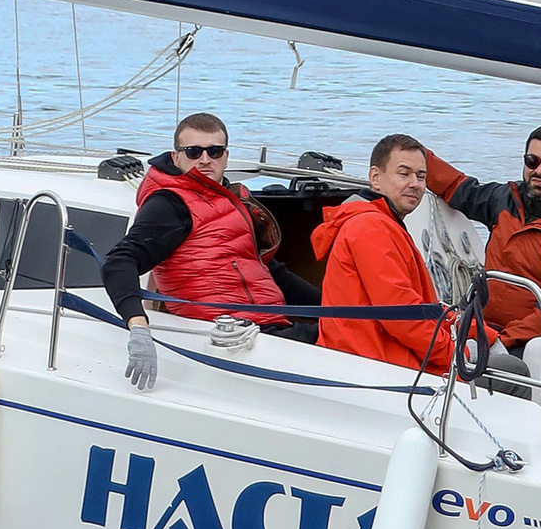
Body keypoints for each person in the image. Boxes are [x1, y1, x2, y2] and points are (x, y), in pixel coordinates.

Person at [102, 110, 306, 392]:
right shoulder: (170, 204)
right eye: (194, 151)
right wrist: (138, 327)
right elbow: (119, 261)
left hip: (267, 326)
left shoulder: (228, 198)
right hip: (230, 336)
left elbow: (267, 271)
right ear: (176, 157)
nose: (205, 159)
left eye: (214, 151)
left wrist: (340, 307)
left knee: (358, 332)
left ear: (226, 155)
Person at [420, 122, 541, 350]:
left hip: (530, 344)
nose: (539, 171)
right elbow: (460, 189)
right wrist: (418, 159)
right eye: (532, 161)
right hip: (482, 324)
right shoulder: (504, 199)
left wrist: (497, 342)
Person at [311, 131, 457, 371]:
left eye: (421, 176)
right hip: (377, 367)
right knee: (512, 372)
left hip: (381, 357)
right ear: (375, 178)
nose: (415, 183)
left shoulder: (382, 223)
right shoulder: (371, 229)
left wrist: (485, 334)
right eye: (404, 174)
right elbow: (403, 318)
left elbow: (419, 308)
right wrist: (458, 353)